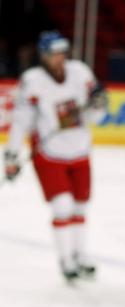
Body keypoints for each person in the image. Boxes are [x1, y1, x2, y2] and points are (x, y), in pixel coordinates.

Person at [3, 31, 106, 281]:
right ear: (44, 56)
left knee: (80, 206)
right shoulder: (33, 80)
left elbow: (99, 113)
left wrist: (96, 106)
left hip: (80, 149)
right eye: (53, 54)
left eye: (62, 53)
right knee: (62, 206)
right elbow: (21, 120)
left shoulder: (80, 72)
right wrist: (11, 156)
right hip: (50, 154)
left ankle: (81, 256)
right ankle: (66, 260)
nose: (59, 59)